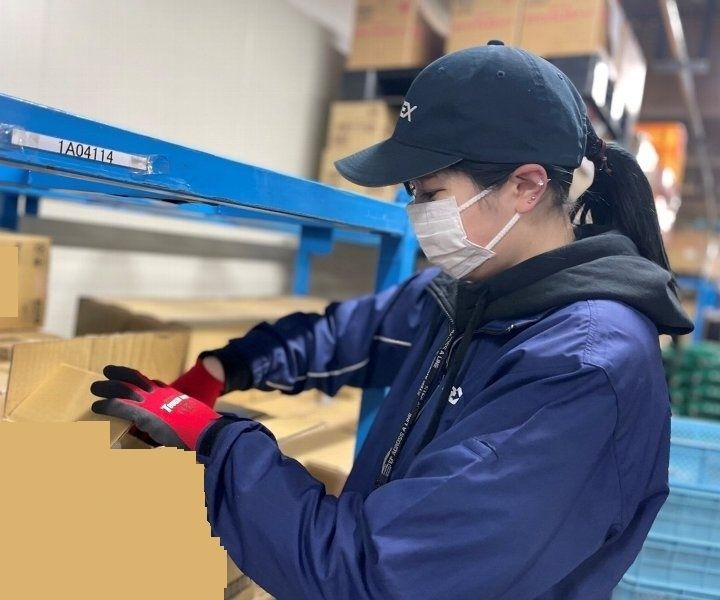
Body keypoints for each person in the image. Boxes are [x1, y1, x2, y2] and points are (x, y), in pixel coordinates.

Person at [91, 41, 693, 599]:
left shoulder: (582, 370)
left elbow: (374, 573)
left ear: (526, 186)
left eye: (430, 193)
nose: (416, 212)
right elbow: (349, 335)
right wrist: (227, 367)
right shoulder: (473, 291)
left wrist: (220, 442)